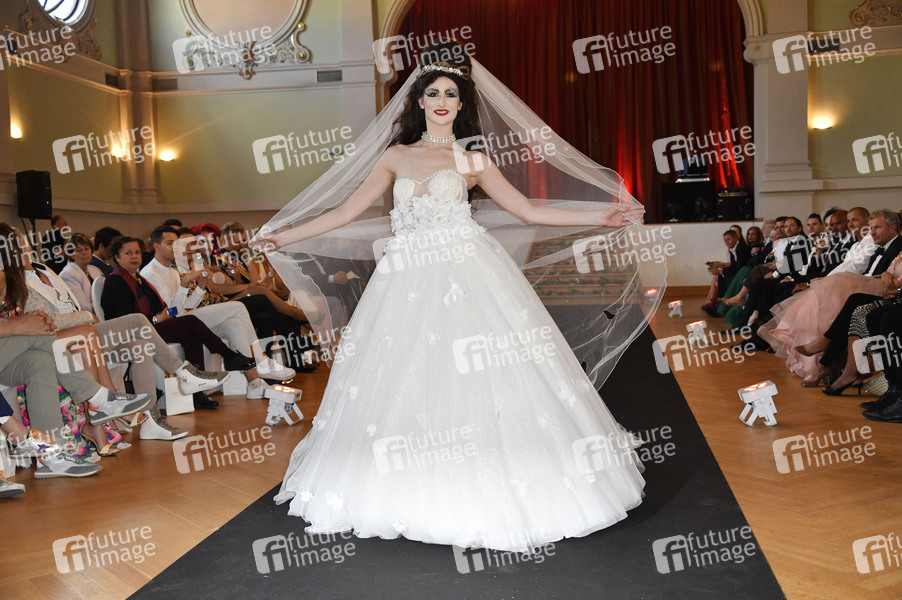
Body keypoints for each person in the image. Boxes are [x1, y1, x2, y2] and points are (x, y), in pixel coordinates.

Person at [252, 43, 657, 552]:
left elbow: (529, 210)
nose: (442, 101)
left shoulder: (473, 159)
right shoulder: (396, 156)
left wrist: (601, 216)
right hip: (404, 278)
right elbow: (344, 212)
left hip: (466, 271)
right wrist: (283, 236)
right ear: (419, 100)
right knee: (401, 372)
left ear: (461, 104)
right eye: (434, 92)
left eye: (451, 94)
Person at [101, 236, 260, 409]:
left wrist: (167, 313)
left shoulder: (139, 279)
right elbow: (125, 319)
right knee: (191, 322)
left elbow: (165, 307)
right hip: (135, 333)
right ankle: (228, 356)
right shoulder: (117, 281)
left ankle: (197, 393)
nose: (134, 256)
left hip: (152, 324)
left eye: (137, 252)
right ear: (117, 257)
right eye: (128, 253)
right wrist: (156, 318)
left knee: (192, 336)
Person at [59, 233, 103, 313]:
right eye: (79, 250)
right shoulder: (68, 274)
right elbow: (81, 306)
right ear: (71, 255)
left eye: (87, 248)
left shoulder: (95, 270)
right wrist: (105, 306)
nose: (84, 253)